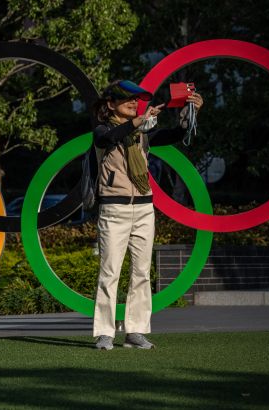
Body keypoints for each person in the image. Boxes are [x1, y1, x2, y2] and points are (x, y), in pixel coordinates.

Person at [91, 80, 203, 350]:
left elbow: (174, 135)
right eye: (127, 99)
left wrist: (189, 114)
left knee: (141, 271)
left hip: (143, 207)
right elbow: (106, 138)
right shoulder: (103, 129)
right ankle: (105, 333)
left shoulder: (142, 130)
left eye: (136, 100)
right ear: (110, 104)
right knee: (110, 272)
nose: (134, 103)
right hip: (114, 208)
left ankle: (136, 331)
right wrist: (137, 123)